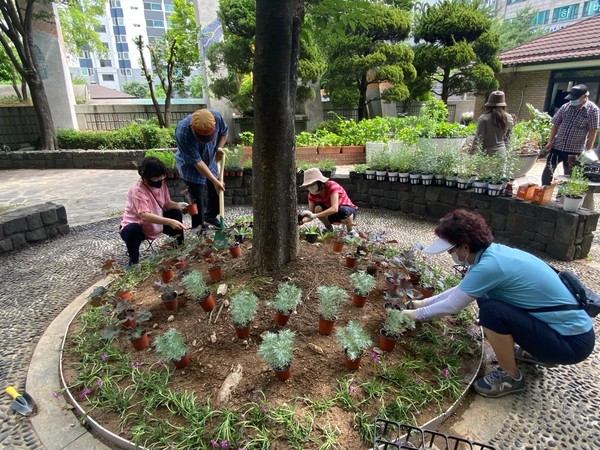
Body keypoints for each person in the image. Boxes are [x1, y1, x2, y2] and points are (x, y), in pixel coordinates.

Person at [402, 209, 594, 398]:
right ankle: (535, 350)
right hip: (566, 332)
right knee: (486, 298)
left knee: (491, 311)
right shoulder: (493, 254)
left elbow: (453, 305)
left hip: (571, 344)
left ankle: (510, 375)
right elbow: (461, 290)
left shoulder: (490, 266)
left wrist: (414, 316)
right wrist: (421, 304)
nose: (451, 255)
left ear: (465, 247)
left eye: (452, 250)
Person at [120, 157, 189, 266]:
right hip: (138, 227)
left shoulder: (162, 183)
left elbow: (166, 203)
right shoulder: (137, 190)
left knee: (175, 213)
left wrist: (178, 205)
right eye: (156, 178)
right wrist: (169, 222)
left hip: (155, 224)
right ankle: (134, 262)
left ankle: (179, 245)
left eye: (162, 177)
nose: (160, 180)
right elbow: (145, 216)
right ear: (145, 177)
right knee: (132, 229)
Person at [175, 109, 228, 229]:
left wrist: (219, 148)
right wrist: (215, 180)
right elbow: (197, 162)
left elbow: (224, 133)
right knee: (196, 199)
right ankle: (198, 228)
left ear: (214, 124)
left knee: (216, 192)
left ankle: (210, 216)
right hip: (190, 166)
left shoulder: (216, 117)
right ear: (192, 128)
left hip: (210, 159)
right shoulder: (183, 133)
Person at [542, 84, 600, 186]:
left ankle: (563, 198)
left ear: (584, 96)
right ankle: (543, 190)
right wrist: (550, 141)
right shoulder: (565, 107)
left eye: (575, 98)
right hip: (557, 146)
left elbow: (593, 130)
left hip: (574, 151)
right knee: (548, 170)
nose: (572, 101)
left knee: (570, 176)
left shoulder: (593, 110)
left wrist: (589, 150)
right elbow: (555, 124)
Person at [299, 167, 358, 236]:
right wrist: (302, 221)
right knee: (317, 208)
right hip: (331, 215)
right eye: (308, 186)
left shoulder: (332, 186)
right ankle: (328, 228)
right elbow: (310, 214)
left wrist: (315, 215)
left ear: (319, 182)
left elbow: (334, 208)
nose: (310, 187)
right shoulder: (311, 195)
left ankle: (350, 231)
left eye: (312, 184)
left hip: (346, 211)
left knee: (344, 211)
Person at [471, 91, 513, 155]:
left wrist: (472, 154)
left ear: (489, 105)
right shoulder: (509, 118)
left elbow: (478, 138)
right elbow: (508, 138)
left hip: (486, 153)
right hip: (502, 152)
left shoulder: (484, 118)